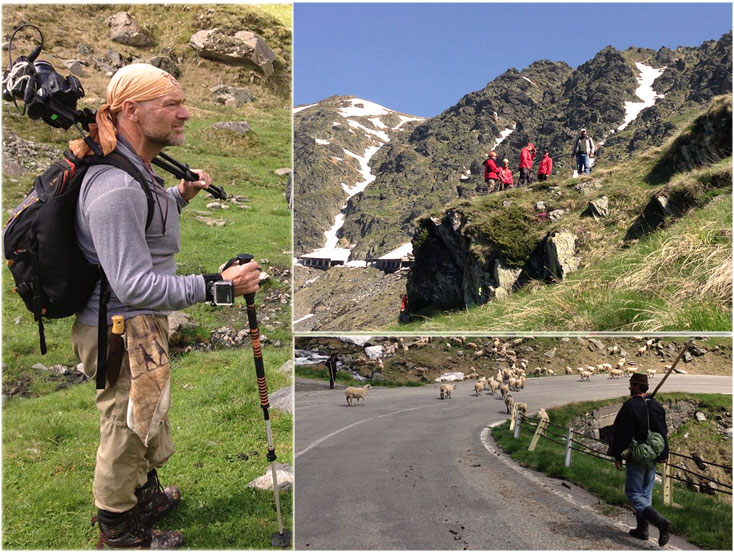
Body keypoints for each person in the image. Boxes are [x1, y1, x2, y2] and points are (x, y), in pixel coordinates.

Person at [68, 64, 261, 548]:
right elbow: (133, 285)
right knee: (126, 426)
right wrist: (217, 285)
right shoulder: (116, 187)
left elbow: (145, 229)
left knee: (146, 417)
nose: (185, 114)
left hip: (135, 324)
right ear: (132, 110)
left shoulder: (137, 167)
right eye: (171, 105)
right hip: (118, 327)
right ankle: (118, 528)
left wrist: (179, 196)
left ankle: (141, 496)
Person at [609, 373, 671, 546]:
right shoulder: (655, 405)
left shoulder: (630, 406)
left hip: (636, 455)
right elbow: (662, 431)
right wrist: (664, 454)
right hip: (653, 455)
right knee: (645, 493)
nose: (629, 387)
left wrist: (617, 455)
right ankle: (642, 530)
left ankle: (660, 522)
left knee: (634, 493)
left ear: (637, 386)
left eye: (631, 384)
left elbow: (622, 432)